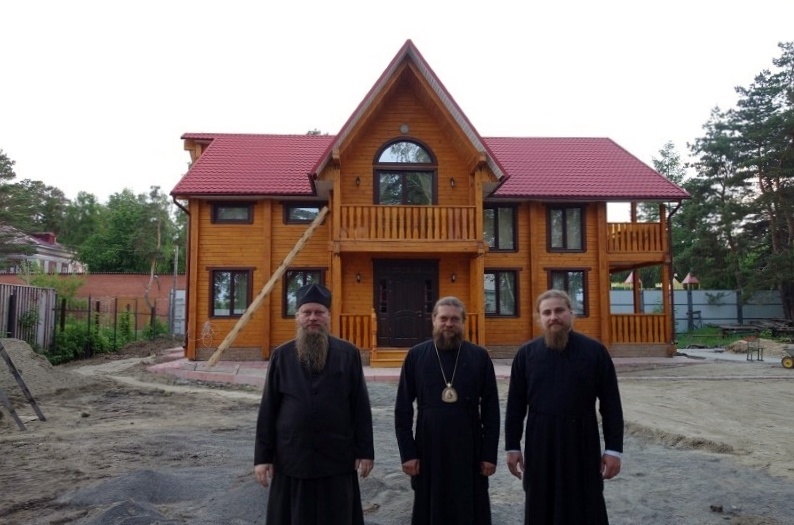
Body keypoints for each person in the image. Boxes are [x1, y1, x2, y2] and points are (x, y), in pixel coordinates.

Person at [254, 283, 374, 525]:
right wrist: (262, 457)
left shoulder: (348, 354)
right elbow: (268, 409)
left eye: (319, 312)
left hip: (336, 459)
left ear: (328, 316)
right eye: (306, 312)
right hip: (292, 458)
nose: (313, 318)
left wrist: (365, 451)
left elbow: (360, 406)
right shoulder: (281, 356)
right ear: (297, 316)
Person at [505, 289, 624, 525]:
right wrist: (512, 446)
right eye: (547, 312)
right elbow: (515, 406)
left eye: (559, 310)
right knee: (541, 503)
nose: (553, 317)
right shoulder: (526, 354)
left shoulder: (595, 352)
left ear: (571, 312)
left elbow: (611, 404)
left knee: (584, 504)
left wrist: (613, 450)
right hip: (540, 442)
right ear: (539, 318)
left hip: (582, 440)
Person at [395, 296, 500, 525]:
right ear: (434, 320)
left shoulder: (479, 356)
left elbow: (491, 410)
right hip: (429, 445)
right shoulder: (416, 356)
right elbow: (402, 410)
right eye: (443, 318)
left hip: (470, 446)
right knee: (430, 506)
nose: (448, 324)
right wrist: (408, 453)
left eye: (454, 319)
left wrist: (489, 455)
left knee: (469, 505)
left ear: (463, 322)